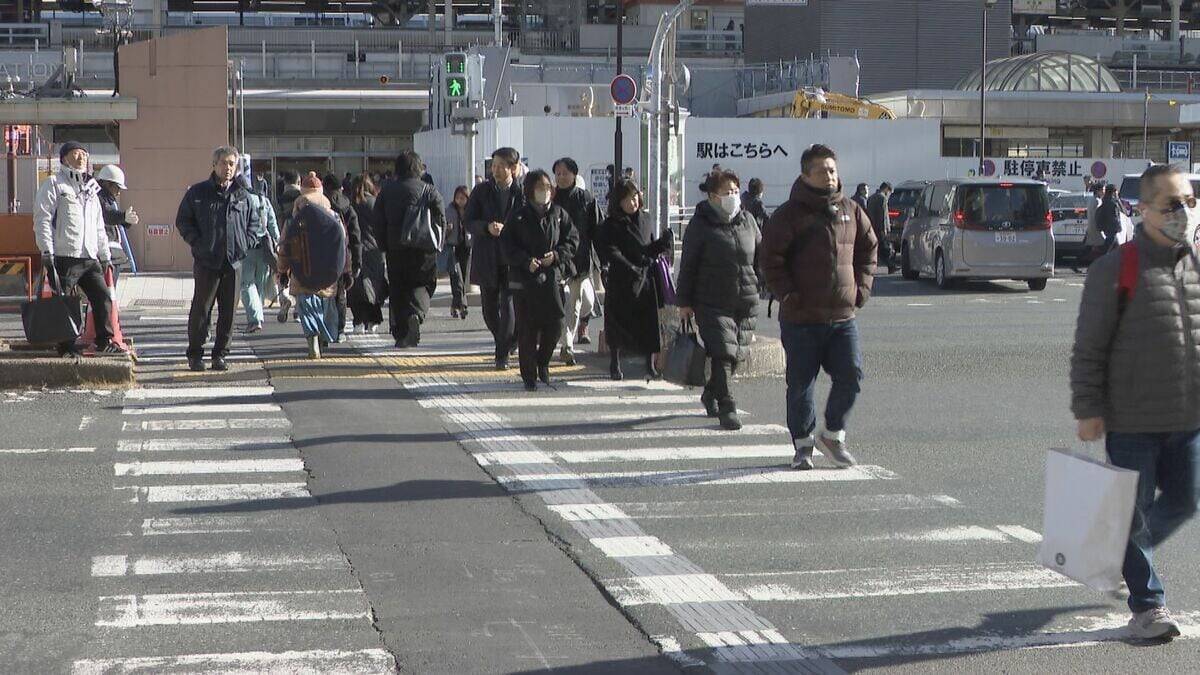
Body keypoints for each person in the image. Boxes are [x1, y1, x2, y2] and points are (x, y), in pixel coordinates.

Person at [1071, 163, 1200, 641]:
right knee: (1134, 510)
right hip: (1132, 419)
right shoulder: (1117, 267)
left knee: (1185, 500)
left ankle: (1119, 552)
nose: (1183, 213)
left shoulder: (1196, 261)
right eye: (1171, 205)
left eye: (1188, 201)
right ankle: (1148, 605)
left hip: (1188, 416)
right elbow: (1089, 346)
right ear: (1143, 210)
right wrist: (1088, 408)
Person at [761, 144, 877, 470]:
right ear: (805, 175)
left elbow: (869, 249)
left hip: (842, 317)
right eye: (822, 170)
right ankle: (802, 445)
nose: (830, 176)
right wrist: (788, 294)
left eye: (833, 170)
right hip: (801, 318)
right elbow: (770, 261)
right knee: (800, 385)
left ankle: (833, 435)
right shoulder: (788, 215)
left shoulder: (851, 210)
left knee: (851, 376)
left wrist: (862, 289)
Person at [676, 170, 761, 431]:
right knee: (723, 353)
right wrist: (685, 302)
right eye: (727, 192)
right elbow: (688, 264)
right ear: (713, 196)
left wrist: (768, 283)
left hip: (745, 300)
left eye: (735, 191)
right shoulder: (701, 224)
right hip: (710, 301)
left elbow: (761, 254)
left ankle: (711, 392)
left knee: (736, 355)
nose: (733, 197)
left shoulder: (747, 220)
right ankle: (728, 406)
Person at [33, 141, 123, 356]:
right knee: (65, 300)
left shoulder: (91, 188)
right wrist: (47, 250)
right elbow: (43, 218)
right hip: (66, 253)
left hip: (89, 255)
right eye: (76, 153)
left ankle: (105, 340)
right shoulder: (54, 184)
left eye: (84, 153)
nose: (81, 157)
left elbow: (99, 225)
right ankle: (65, 345)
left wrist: (104, 255)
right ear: (64, 158)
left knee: (102, 296)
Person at [176, 145, 259, 372]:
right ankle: (195, 354)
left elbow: (255, 224)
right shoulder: (198, 193)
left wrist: (246, 243)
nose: (228, 168)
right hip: (207, 262)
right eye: (224, 163)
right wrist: (198, 243)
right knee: (202, 310)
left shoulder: (244, 195)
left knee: (229, 312)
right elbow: (183, 221)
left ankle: (220, 354)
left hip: (234, 262)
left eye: (232, 164)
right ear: (214, 165)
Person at [501, 170, 579, 390]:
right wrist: (525, 261)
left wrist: (555, 256)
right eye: (539, 188)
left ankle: (543, 361)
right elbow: (506, 247)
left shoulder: (559, 214)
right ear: (529, 191)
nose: (544, 192)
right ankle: (529, 376)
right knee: (527, 329)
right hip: (523, 281)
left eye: (547, 187)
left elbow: (572, 240)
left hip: (551, 278)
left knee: (555, 324)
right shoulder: (517, 216)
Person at [594, 179, 673, 380]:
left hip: (645, 277)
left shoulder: (645, 219)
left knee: (648, 324)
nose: (633, 201)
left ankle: (649, 364)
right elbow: (610, 251)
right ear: (618, 202)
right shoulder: (610, 224)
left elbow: (648, 247)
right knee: (618, 323)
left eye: (635, 196)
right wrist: (628, 266)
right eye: (628, 198)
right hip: (622, 278)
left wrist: (663, 243)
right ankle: (615, 362)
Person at [374, 150, 446, 348]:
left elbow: (377, 222)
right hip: (424, 249)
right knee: (423, 284)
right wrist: (439, 242)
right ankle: (417, 313)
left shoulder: (387, 191)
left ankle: (400, 333)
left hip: (395, 248)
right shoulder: (429, 190)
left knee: (398, 288)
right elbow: (441, 217)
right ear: (418, 167)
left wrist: (383, 245)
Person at [277, 174, 351, 359]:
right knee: (324, 307)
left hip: (302, 272)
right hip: (328, 274)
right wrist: (346, 270)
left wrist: (282, 271)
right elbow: (343, 246)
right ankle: (324, 337)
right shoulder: (333, 215)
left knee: (307, 308)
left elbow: (285, 248)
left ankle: (312, 340)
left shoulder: (294, 218)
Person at [466, 148, 525, 369]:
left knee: (508, 304)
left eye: (501, 166)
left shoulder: (522, 193)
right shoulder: (481, 191)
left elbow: (529, 221)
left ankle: (502, 355)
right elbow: (468, 221)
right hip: (487, 256)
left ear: (513, 168)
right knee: (489, 310)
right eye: (494, 165)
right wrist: (486, 227)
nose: (496, 170)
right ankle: (506, 341)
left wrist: (509, 230)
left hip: (512, 257)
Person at [552, 157, 601, 366]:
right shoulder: (550, 199)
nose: (561, 177)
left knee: (585, 303)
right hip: (557, 260)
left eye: (565, 173)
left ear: (574, 174)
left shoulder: (586, 198)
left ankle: (582, 323)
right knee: (572, 304)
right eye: (558, 173)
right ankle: (567, 346)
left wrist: (603, 260)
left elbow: (598, 229)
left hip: (581, 261)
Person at [238, 172, 280, 333]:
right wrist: (277, 242)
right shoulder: (263, 200)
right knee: (260, 283)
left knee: (247, 284)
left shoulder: (241, 201)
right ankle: (258, 316)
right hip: (265, 247)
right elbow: (272, 224)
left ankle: (255, 318)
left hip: (247, 247)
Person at [324, 173, 362, 341]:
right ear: (341, 188)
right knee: (340, 294)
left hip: (322, 256)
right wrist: (357, 261)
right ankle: (339, 330)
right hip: (342, 256)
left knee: (322, 294)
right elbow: (355, 236)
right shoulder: (348, 206)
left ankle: (324, 330)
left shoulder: (320, 204)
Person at [348, 173, 387, 333]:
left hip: (355, 249)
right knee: (375, 285)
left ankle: (358, 321)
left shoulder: (351, 205)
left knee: (357, 287)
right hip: (376, 250)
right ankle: (374, 320)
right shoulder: (376, 203)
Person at [95, 164, 139, 287]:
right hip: (105, 253)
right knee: (106, 292)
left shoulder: (108, 199)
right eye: (117, 188)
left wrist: (125, 221)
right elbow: (106, 214)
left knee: (109, 291)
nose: (119, 192)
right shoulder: (98, 198)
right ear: (108, 184)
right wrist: (123, 217)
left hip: (112, 253)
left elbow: (112, 216)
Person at [445, 185, 472, 319]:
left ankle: (455, 306)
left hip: (465, 247)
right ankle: (463, 305)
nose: (460, 201)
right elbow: (442, 227)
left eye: (463, 198)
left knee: (463, 275)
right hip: (452, 246)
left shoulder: (471, 211)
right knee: (456, 277)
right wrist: (447, 229)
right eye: (457, 198)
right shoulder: (449, 210)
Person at [865, 182, 895, 273]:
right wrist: (885, 229)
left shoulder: (871, 197)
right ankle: (890, 266)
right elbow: (883, 215)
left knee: (876, 248)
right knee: (883, 249)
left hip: (871, 226)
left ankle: (888, 266)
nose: (889, 194)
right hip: (879, 228)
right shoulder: (882, 198)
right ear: (886, 189)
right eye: (889, 192)